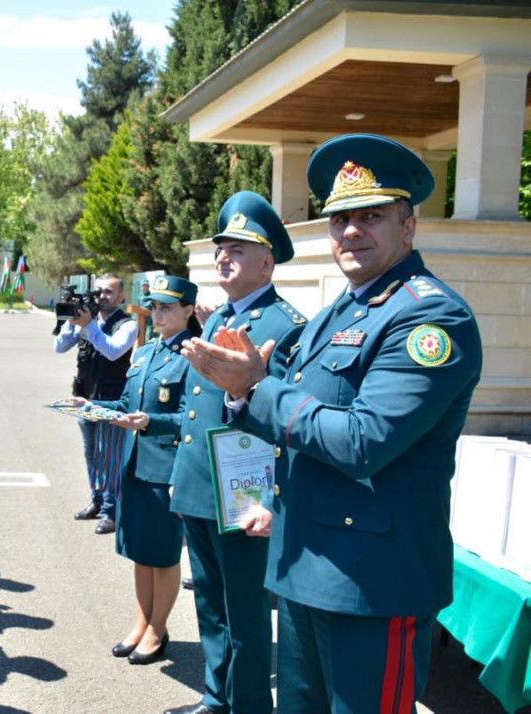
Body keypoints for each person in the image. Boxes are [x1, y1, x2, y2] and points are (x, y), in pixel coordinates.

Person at [183, 133, 482, 713]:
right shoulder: (333, 315)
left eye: (372, 216)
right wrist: (271, 492)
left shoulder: (430, 317)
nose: (351, 231)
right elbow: (297, 429)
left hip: (372, 582)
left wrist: (253, 388)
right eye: (340, 217)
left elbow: (363, 441)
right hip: (302, 566)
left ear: (409, 227)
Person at [163, 192, 306, 714]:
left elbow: (284, 418)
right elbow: (195, 408)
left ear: (267, 261)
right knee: (209, 604)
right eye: (221, 247)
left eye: (239, 249)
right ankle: (216, 697)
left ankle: (247, 705)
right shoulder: (219, 313)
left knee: (244, 610)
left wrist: (270, 496)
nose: (224, 256)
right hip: (203, 481)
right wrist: (184, 473)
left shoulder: (287, 325)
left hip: (245, 485)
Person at [79, 275, 200, 665]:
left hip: (166, 469)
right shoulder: (146, 352)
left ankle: (158, 629)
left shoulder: (194, 356)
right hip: (133, 464)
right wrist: (89, 405)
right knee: (139, 552)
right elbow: (127, 403)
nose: (159, 313)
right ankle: (141, 622)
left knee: (162, 554)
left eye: (167, 307)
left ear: (189, 311)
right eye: (155, 306)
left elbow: (192, 419)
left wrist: (149, 422)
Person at [54, 274, 139, 534]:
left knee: (110, 456)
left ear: (121, 296)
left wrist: (89, 326)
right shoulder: (86, 321)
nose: (102, 297)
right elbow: (59, 347)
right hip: (84, 396)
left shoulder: (127, 324)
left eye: (109, 293)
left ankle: (111, 511)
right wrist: (70, 321)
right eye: (99, 292)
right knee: (91, 454)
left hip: (111, 400)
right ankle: (97, 500)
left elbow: (113, 350)